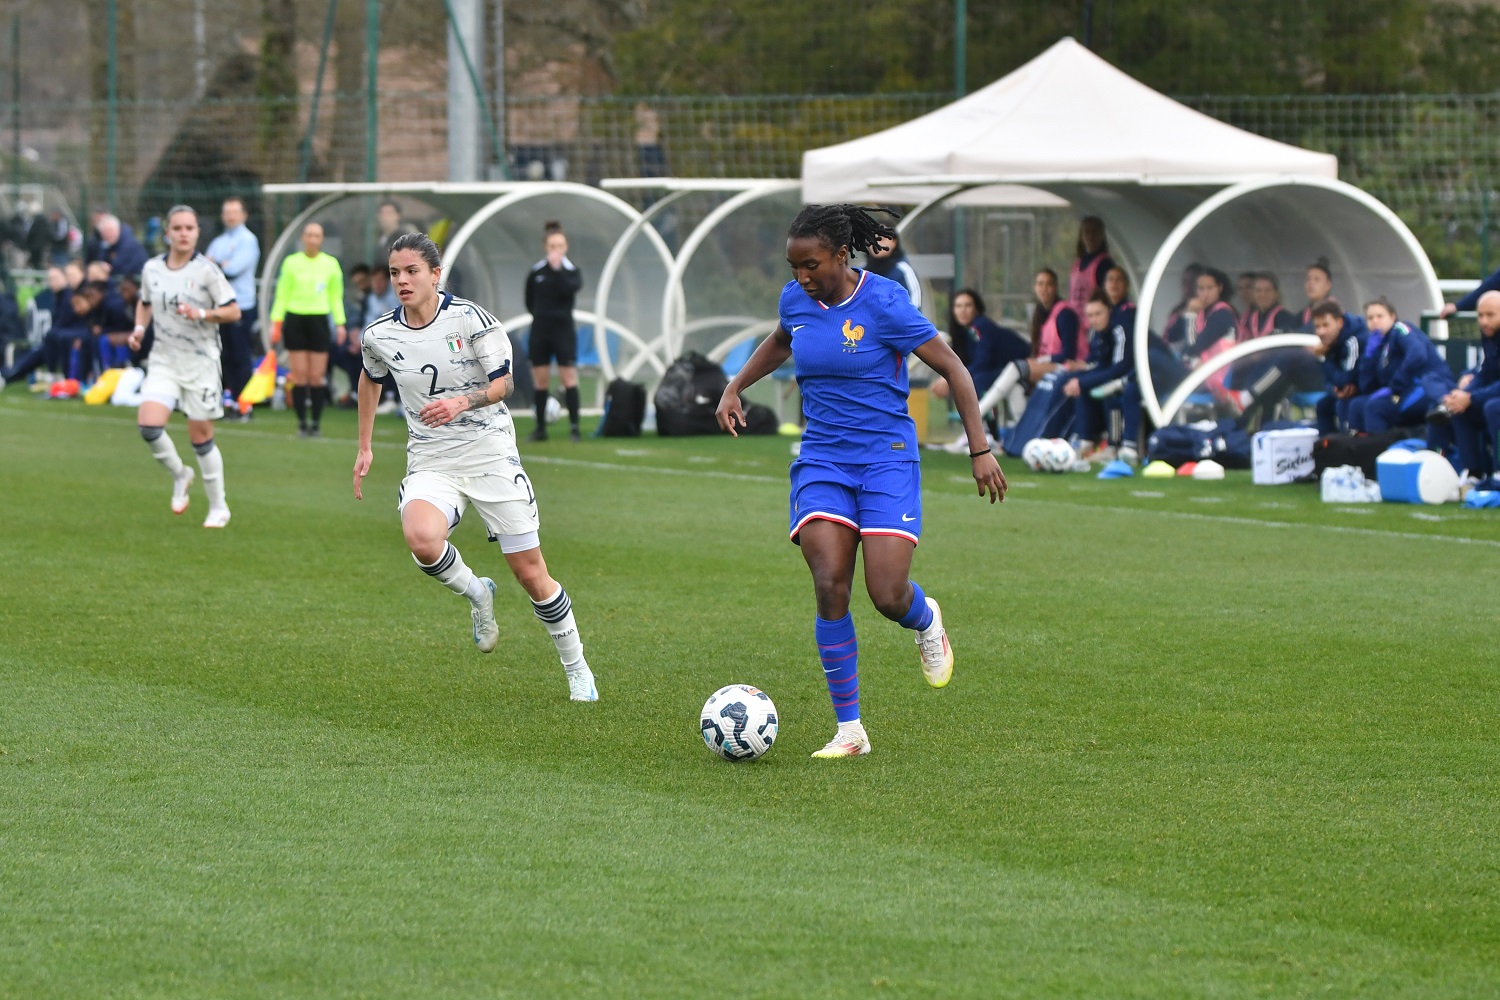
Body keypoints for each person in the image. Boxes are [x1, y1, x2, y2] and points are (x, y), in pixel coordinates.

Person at [714, 204, 1006, 759]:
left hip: (887, 459)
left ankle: (925, 619)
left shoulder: (885, 302)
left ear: (841, 255)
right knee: (830, 582)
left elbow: (955, 370)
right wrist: (736, 386)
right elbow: (782, 339)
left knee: (886, 594)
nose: (801, 276)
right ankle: (850, 730)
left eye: (811, 264)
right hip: (823, 459)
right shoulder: (795, 299)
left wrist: (980, 449)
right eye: (793, 265)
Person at [352, 232, 598, 703]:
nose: (401, 281)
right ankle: (478, 594)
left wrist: (462, 401)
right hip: (431, 457)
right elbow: (371, 377)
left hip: (489, 450)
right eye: (394, 273)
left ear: (435, 274)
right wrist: (364, 445)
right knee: (421, 539)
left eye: (411, 272)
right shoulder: (379, 333)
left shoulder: (471, 319)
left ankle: (577, 668)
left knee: (530, 573)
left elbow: (505, 385)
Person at [126, 205, 242, 528]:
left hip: (200, 363)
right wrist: (139, 329)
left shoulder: (206, 271)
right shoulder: (152, 269)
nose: (183, 233)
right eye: (177, 228)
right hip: (163, 360)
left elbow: (233, 311)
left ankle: (218, 506)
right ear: (167, 232)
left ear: (197, 233)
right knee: (149, 426)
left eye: (189, 228)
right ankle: (180, 474)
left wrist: (202, 314)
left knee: (201, 437)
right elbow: (146, 302)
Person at [269, 222, 346, 436]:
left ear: (321, 239)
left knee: (317, 376)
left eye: (317, 235)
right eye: (309, 235)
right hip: (295, 320)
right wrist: (275, 321)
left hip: (319, 320)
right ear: (303, 238)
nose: (312, 239)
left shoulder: (330, 264)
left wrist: (340, 323)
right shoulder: (291, 263)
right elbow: (282, 295)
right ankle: (302, 423)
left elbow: (335, 297)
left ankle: (316, 423)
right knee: (300, 375)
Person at [931, 288, 1028, 445]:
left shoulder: (980, 326)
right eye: (958, 306)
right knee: (975, 379)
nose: (962, 310)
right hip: (1000, 370)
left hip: (1021, 367)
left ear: (976, 308)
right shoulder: (963, 333)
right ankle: (986, 434)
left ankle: (987, 434)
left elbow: (982, 363)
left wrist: (949, 379)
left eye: (967, 305)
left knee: (977, 380)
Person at [1349, 297, 1455, 434]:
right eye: (1370, 318)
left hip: (1425, 388)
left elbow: (1417, 354)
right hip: (1402, 392)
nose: (1375, 321)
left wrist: (1395, 385)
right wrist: (1368, 358)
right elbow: (1367, 387)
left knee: (1375, 407)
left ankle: (1379, 451)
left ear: (1392, 317)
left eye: (1380, 316)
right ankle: (1356, 448)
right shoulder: (1377, 344)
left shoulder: (1400, 328)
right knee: (1356, 404)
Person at [1062, 290, 1140, 461]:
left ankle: (1115, 446)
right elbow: (1099, 363)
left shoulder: (1120, 328)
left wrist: (1082, 382)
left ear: (1109, 311)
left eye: (1098, 314)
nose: (1094, 319)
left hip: (1138, 377)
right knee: (1082, 385)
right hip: (1120, 377)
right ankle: (1085, 443)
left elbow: (1120, 367)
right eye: (1090, 315)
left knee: (1107, 391)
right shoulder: (1097, 333)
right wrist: (1081, 380)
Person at [524, 220, 584, 441]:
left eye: (559, 246)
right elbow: (529, 301)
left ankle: (575, 428)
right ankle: (540, 428)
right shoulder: (537, 272)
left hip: (563, 331)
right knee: (541, 379)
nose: (555, 250)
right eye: (552, 246)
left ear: (565, 246)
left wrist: (558, 270)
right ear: (545, 247)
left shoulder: (570, 271)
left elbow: (570, 289)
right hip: (541, 330)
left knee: (568, 377)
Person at [205, 196, 261, 419]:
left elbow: (233, 269)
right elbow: (205, 267)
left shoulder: (248, 240)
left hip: (241, 305)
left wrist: (217, 264)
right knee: (224, 355)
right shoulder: (219, 241)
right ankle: (230, 402)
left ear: (243, 215)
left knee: (240, 356)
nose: (229, 216)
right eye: (226, 212)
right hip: (220, 305)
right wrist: (219, 264)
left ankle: (245, 405)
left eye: (234, 212)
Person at [1438, 290, 1500, 477]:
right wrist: (1462, 394)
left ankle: (1498, 473)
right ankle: (1472, 474)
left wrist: (1471, 397)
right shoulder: (1489, 334)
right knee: (1459, 408)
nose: (1483, 321)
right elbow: (1486, 372)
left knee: (1493, 408)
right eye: (1480, 315)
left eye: (1490, 315)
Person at [1308, 300, 1366, 434]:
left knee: (1344, 405)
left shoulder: (1354, 340)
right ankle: (1326, 449)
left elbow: (1346, 380)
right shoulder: (1330, 342)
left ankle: (1345, 448)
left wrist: (1323, 357)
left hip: (1364, 390)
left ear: (1339, 322)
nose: (1321, 332)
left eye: (1325, 325)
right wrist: (1334, 391)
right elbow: (1327, 381)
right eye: (1317, 327)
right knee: (1323, 405)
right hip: (1345, 393)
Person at [1066, 216, 1114, 319]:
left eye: (1095, 232)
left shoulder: (1105, 264)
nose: (1090, 236)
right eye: (1087, 232)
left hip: (1093, 323)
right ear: (1081, 236)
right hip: (1075, 322)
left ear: (1101, 236)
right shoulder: (1077, 264)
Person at [862, 232, 921, 308]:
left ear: (894, 241)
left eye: (881, 239)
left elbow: (915, 309)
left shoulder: (903, 272)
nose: (876, 243)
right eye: (871, 239)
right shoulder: (861, 273)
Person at [87, 213, 148, 281]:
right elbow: (101, 259)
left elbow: (120, 269)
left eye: (110, 231)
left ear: (117, 229)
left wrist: (106, 269)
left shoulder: (129, 245)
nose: (108, 235)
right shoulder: (107, 243)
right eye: (105, 233)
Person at [1297, 257, 1336, 329]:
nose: (1311, 283)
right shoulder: (1302, 315)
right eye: (1308, 279)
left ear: (1328, 285)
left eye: (1317, 279)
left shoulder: (1334, 313)